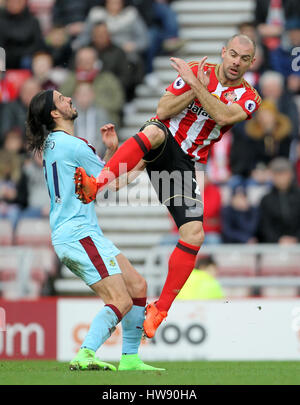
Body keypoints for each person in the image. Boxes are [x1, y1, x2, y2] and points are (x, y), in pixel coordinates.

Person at [74, 34, 262, 338]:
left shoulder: (249, 95)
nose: (236, 62)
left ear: (251, 63)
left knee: (194, 234)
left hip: (186, 164)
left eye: (244, 58)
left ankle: (159, 309)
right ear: (223, 53)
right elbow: (163, 110)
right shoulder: (195, 68)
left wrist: (194, 84)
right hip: (163, 139)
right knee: (154, 132)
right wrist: (192, 84)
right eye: (233, 55)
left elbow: (224, 114)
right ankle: (94, 184)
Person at [25, 89, 164, 371]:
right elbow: (113, 183)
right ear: (54, 113)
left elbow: (98, 179)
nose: (69, 100)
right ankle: (85, 353)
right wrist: (150, 156)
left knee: (138, 285)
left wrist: (111, 151)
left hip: (78, 232)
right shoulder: (74, 145)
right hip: (78, 233)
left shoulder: (55, 143)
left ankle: (130, 359)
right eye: (62, 99)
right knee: (120, 299)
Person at [257, 157, 300, 244]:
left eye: (284, 173)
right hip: (273, 246)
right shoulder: (266, 199)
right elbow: (265, 226)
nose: (281, 178)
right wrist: (278, 240)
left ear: (291, 175)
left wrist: (296, 238)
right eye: (277, 174)